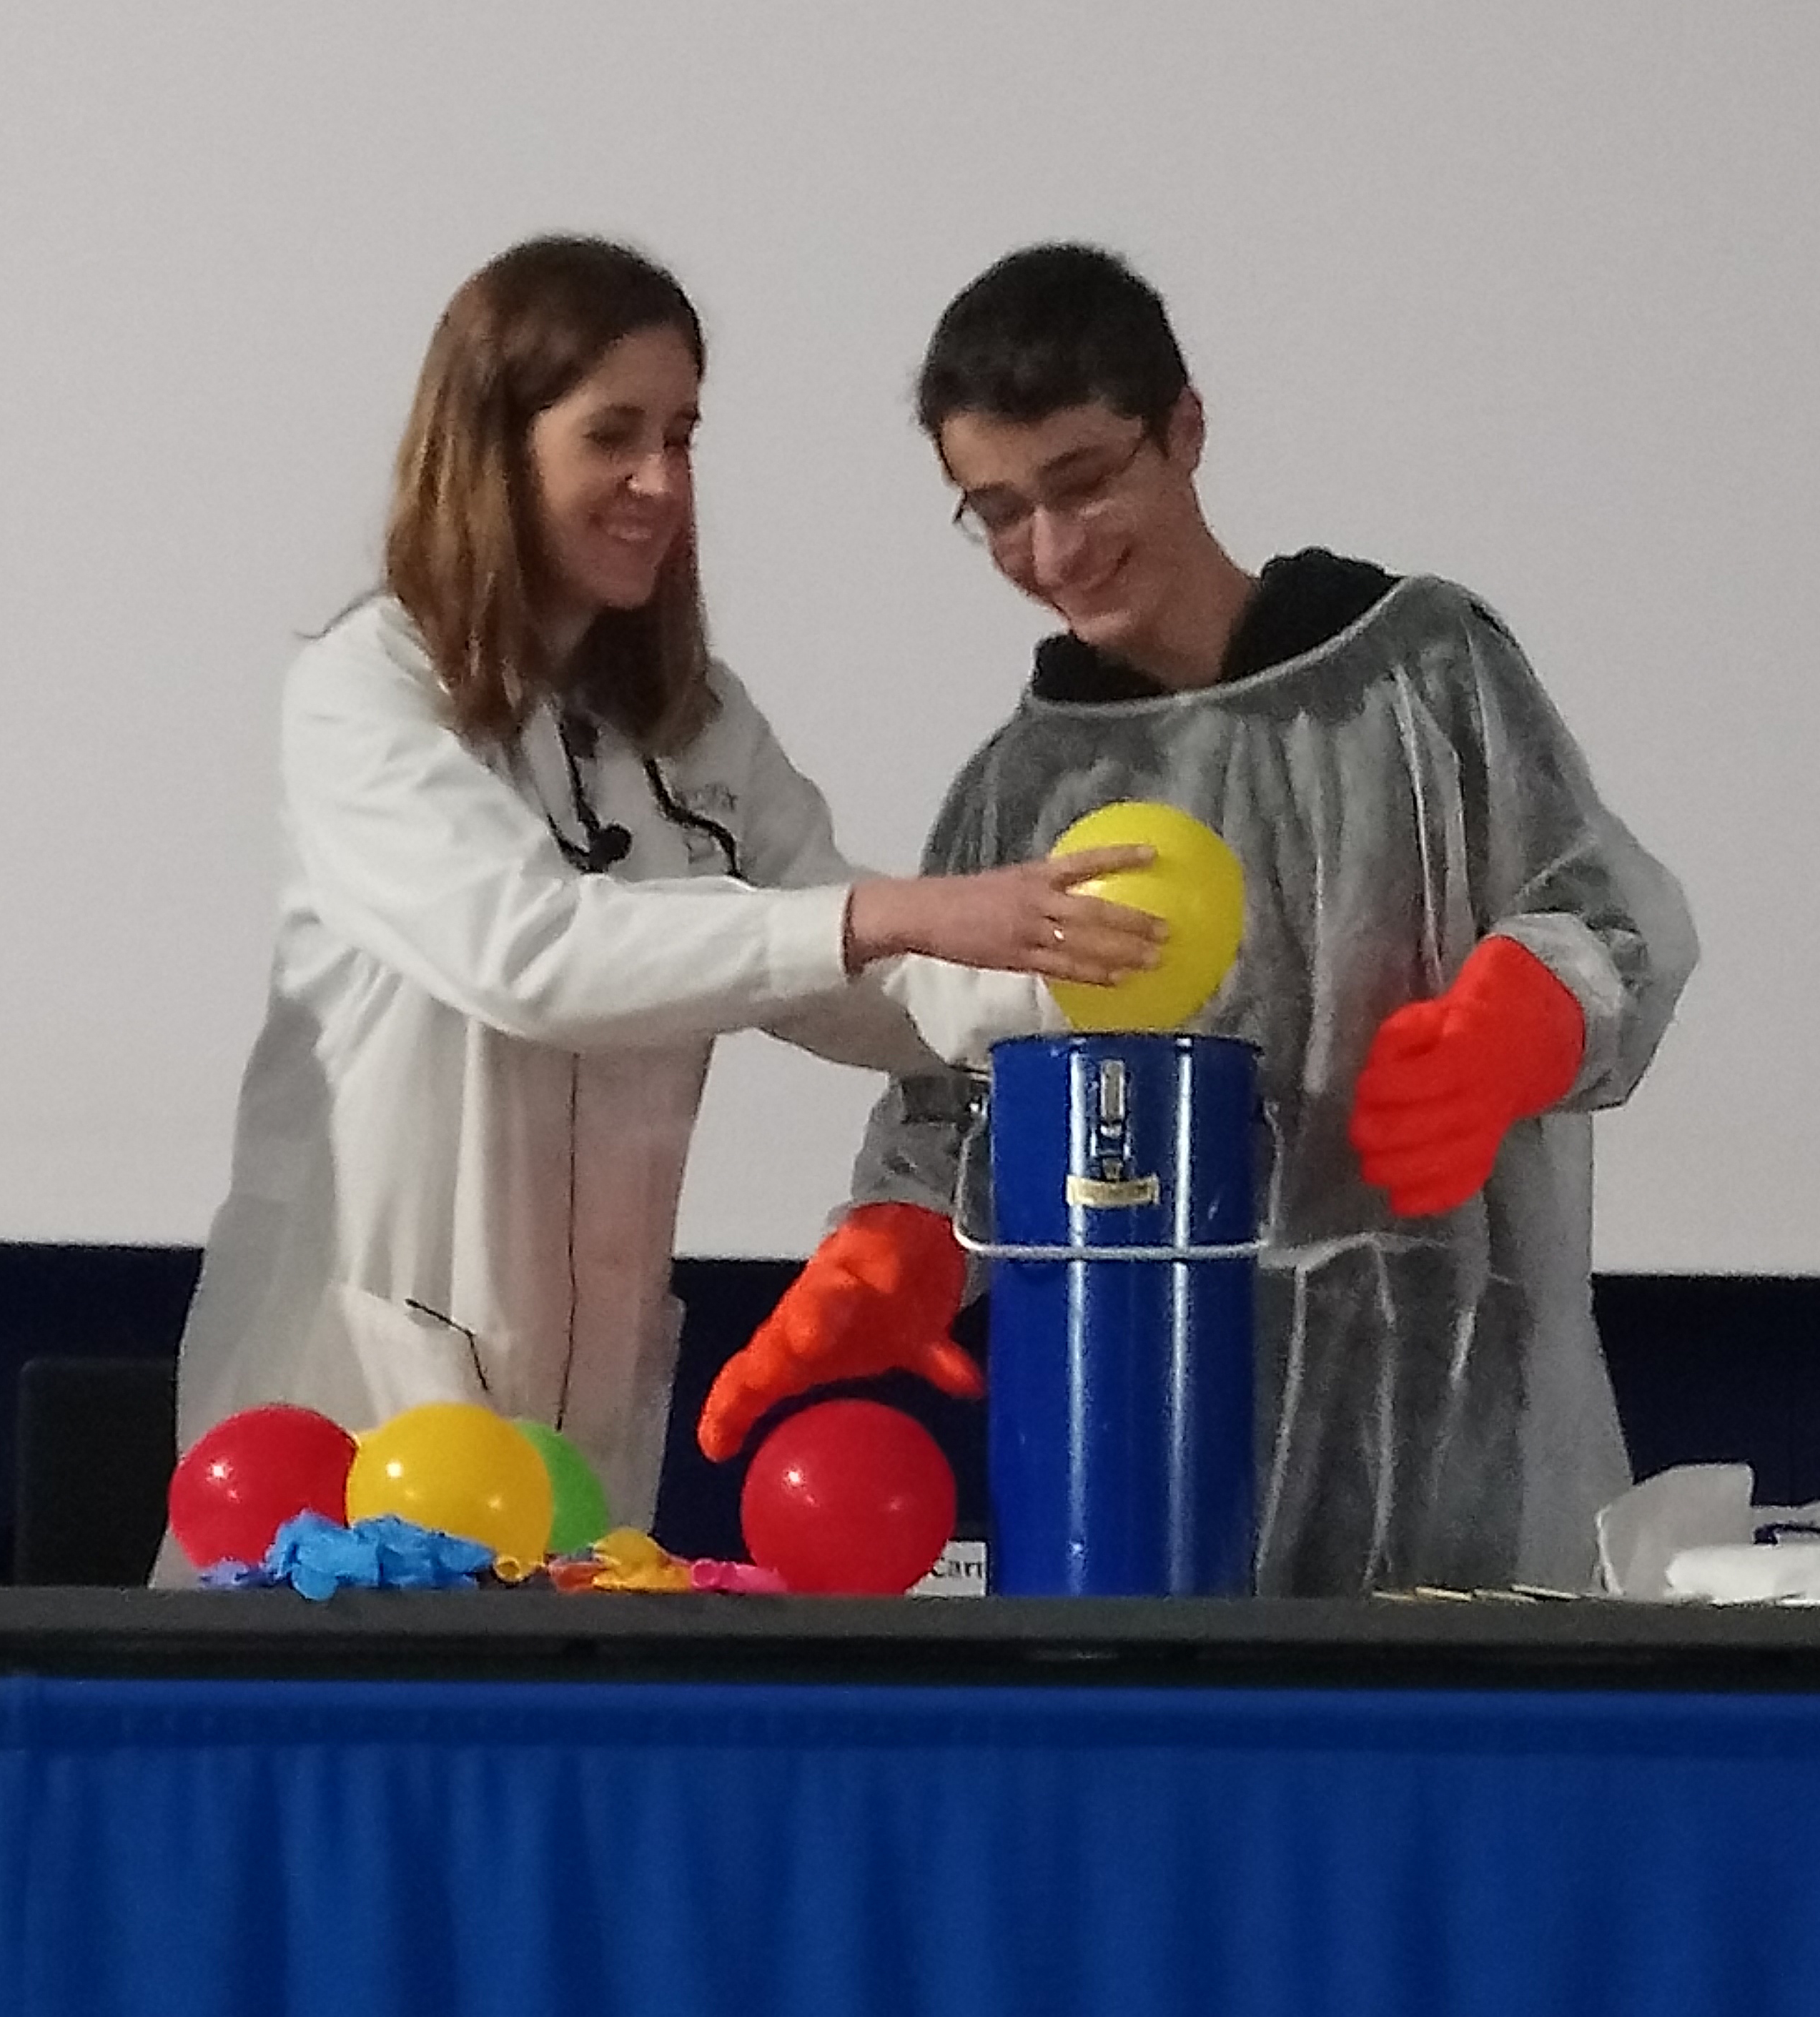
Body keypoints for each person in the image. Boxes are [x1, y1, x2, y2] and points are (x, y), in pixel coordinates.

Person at [700, 243, 1698, 1596]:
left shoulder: (1415, 670)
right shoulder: (1022, 789)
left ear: (1184, 428)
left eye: (1083, 481)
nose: (1052, 550)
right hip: (1138, 1459)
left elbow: (1605, 914)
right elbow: (955, 1093)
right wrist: (904, 1234)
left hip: (1457, 1433)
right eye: (997, 510)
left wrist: (1526, 1013)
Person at [168, 236, 1162, 1557]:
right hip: (350, 1431)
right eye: (614, 436)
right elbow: (534, 957)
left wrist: (1087, 983)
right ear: (494, 445)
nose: (660, 482)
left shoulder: (697, 725)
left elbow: (858, 985)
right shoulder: (370, 690)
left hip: (576, 1453)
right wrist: (900, 912)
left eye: (682, 436)